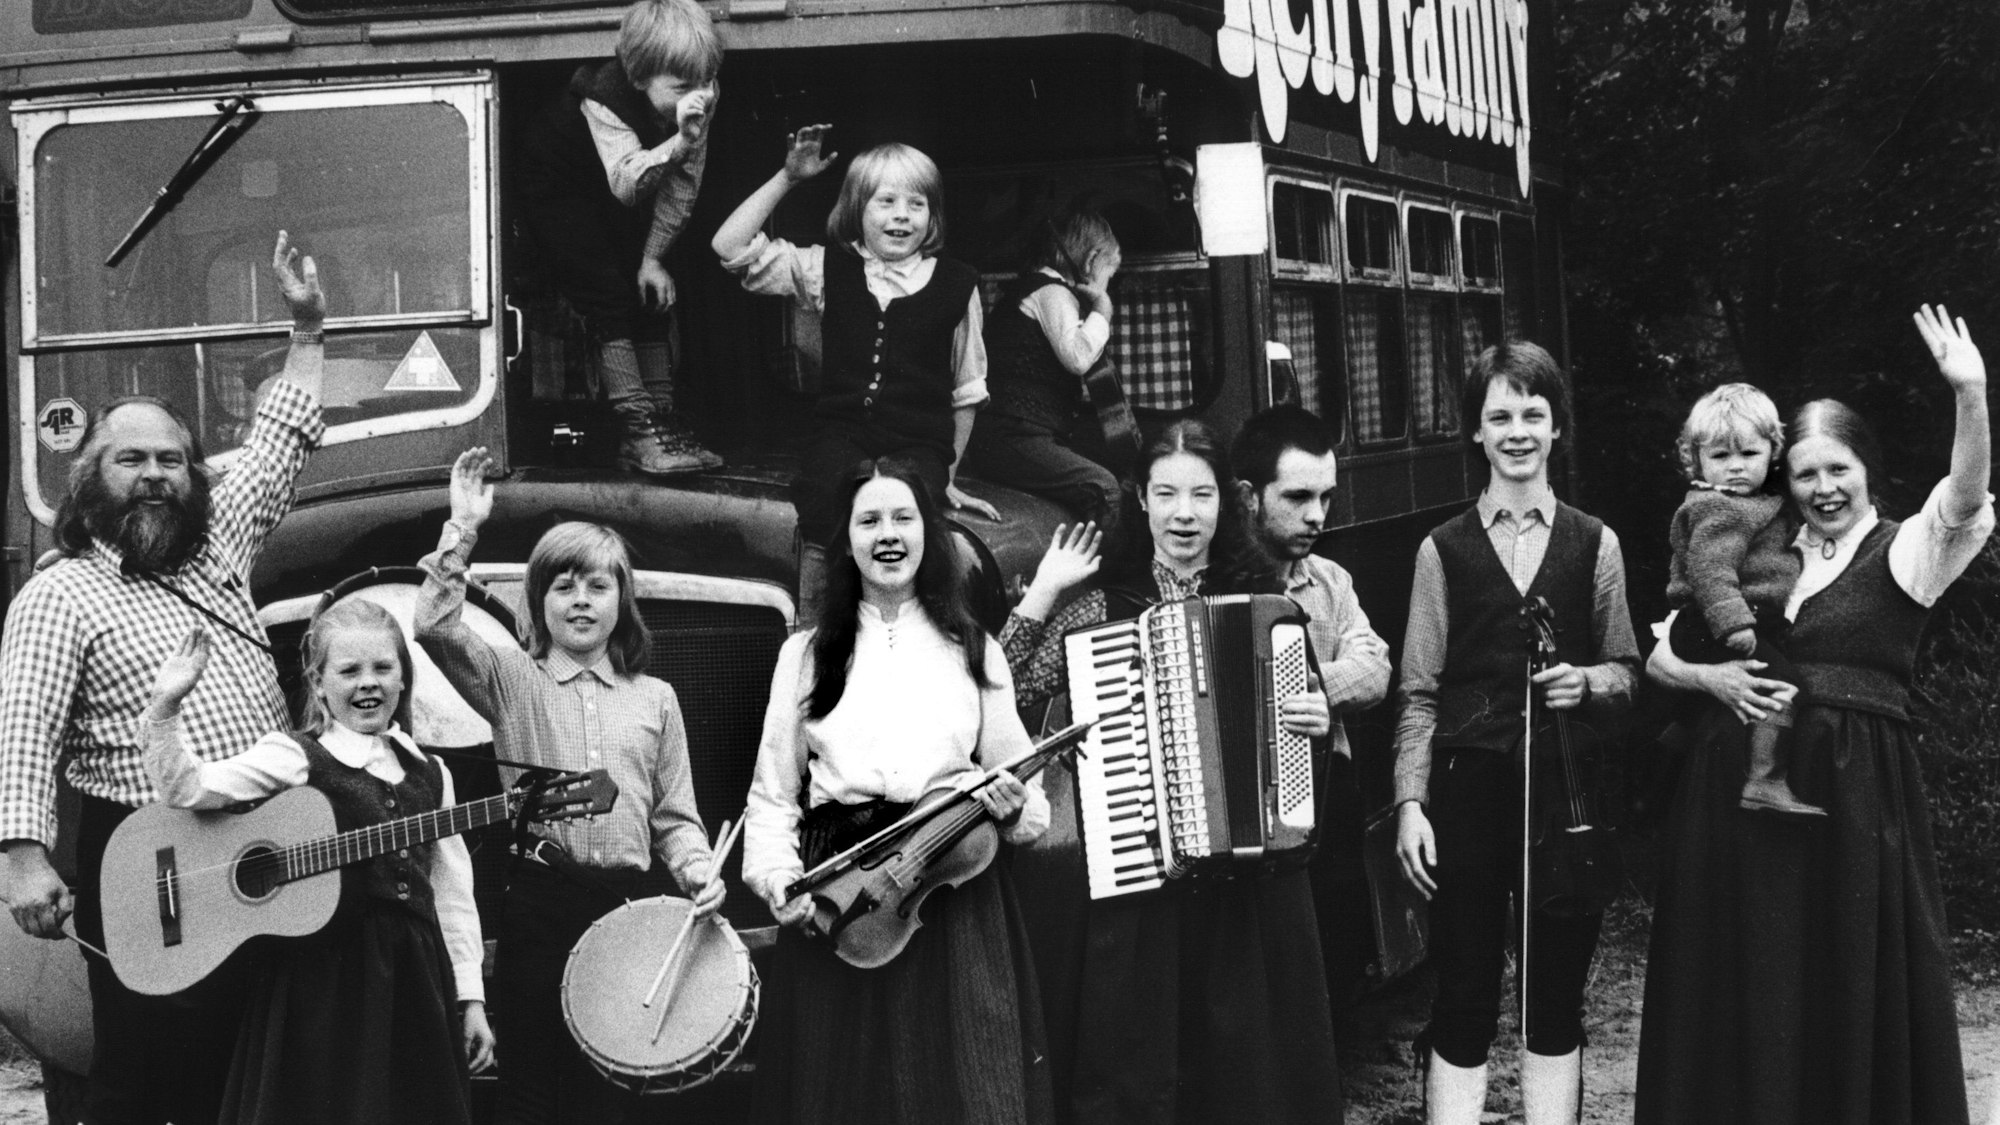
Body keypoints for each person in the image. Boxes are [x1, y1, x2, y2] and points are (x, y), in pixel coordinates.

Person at [1635, 305, 1991, 1125]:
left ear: (1867, 467)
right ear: (1780, 481)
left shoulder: (1909, 549)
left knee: (1842, 978)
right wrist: (1711, 679)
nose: (1823, 488)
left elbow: (1966, 496)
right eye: (1804, 474)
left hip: (1854, 798)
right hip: (1730, 796)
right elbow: (1657, 654)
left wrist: (1969, 395)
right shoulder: (1761, 545)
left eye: (1839, 469)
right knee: (1743, 981)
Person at [0, 231, 325, 1125]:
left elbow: (280, 439)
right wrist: (23, 860)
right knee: (147, 1074)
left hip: (264, 829)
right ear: (91, 480)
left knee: (257, 1058)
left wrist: (307, 327)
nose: (154, 476)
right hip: (144, 848)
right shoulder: (61, 593)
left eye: (171, 460)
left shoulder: (218, 542)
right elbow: (25, 727)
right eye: (131, 460)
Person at [999, 419, 1343, 1125]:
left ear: (1229, 502)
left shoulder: (1268, 605)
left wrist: (1314, 718)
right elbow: (1000, 691)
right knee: (1140, 1071)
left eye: (1201, 495)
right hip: (1139, 883)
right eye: (1166, 494)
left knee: (1248, 1080)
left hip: (1246, 889)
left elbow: (1297, 761)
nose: (1184, 514)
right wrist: (1042, 594)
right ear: (1142, 500)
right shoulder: (1100, 605)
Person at [741, 456, 1052, 1125]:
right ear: (847, 540)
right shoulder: (805, 654)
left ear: (927, 531)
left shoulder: (974, 648)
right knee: (836, 1095)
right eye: (870, 519)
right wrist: (780, 883)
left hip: (950, 887)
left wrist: (1014, 805)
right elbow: (772, 793)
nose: (888, 533)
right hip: (842, 892)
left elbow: (1027, 785)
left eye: (903, 516)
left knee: (963, 1086)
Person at [415, 450, 721, 1125]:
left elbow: (675, 817)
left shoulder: (657, 698)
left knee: (611, 1090)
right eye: (562, 586)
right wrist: (462, 528)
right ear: (538, 601)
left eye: (597, 586)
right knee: (531, 1087)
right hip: (537, 904)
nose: (580, 600)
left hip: (626, 906)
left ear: (622, 599)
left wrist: (699, 872)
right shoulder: (509, 679)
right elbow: (433, 625)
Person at [1390, 341, 1639, 1125]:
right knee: (1463, 991)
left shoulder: (1596, 542)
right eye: (1500, 415)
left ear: (1557, 427)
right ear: (1476, 432)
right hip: (1468, 794)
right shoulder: (1443, 548)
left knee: (1554, 996)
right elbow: (1418, 693)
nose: (1518, 430)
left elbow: (1629, 673)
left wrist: (1588, 681)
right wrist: (1409, 803)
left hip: (1565, 797)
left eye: (1533, 413)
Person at [142, 607, 494, 1124]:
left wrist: (471, 999)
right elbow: (187, 788)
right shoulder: (297, 757)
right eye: (349, 671)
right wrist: (166, 706)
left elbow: (453, 893)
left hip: (415, 980)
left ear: (403, 677)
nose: (368, 683)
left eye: (382, 668)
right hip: (320, 984)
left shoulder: (432, 773)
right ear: (319, 683)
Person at [711, 127, 1001, 625]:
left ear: (932, 216)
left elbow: (967, 390)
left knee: (911, 512)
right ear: (855, 211)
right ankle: (819, 634)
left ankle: (918, 633)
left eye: (916, 203)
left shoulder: (958, 284)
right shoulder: (829, 270)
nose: (901, 216)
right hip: (841, 434)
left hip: (919, 443)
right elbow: (728, 245)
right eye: (885, 201)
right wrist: (787, 176)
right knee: (825, 493)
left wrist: (948, 477)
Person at [517, 0, 724, 475]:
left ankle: (663, 424)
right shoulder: (603, 97)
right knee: (607, 292)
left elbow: (682, 187)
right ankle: (637, 431)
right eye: (684, 87)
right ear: (638, 80)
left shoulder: (697, 97)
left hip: (627, 180)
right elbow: (627, 184)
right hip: (562, 184)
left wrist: (652, 257)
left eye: (708, 81)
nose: (702, 96)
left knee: (645, 286)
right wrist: (682, 140)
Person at [1231, 403, 1392, 1012]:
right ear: (1249, 495)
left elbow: (1375, 665)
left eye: (1325, 496)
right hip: (1240, 796)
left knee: (1338, 942)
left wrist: (1311, 689)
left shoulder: (1330, 580)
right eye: (1298, 496)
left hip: (1325, 797)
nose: (1316, 515)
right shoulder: (1217, 582)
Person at [1665, 382, 1819, 815]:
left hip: (1725, 618)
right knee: (1784, 687)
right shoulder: (1721, 507)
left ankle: (1673, 739)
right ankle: (1764, 780)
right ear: (1696, 459)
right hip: (1713, 619)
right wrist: (1734, 623)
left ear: (1773, 451)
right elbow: (1710, 570)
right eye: (1720, 456)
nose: (1736, 468)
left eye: (1748, 454)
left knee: (1739, 693)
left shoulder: (1757, 502)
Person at [961, 208, 1124, 532]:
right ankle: (1106, 579)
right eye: (1109, 274)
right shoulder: (1052, 292)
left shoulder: (1044, 289)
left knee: (1116, 468)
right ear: (1091, 261)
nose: (1107, 285)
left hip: (1019, 432)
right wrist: (1103, 310)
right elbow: (1077, 357)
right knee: (1104, 490)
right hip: (1010, 434)